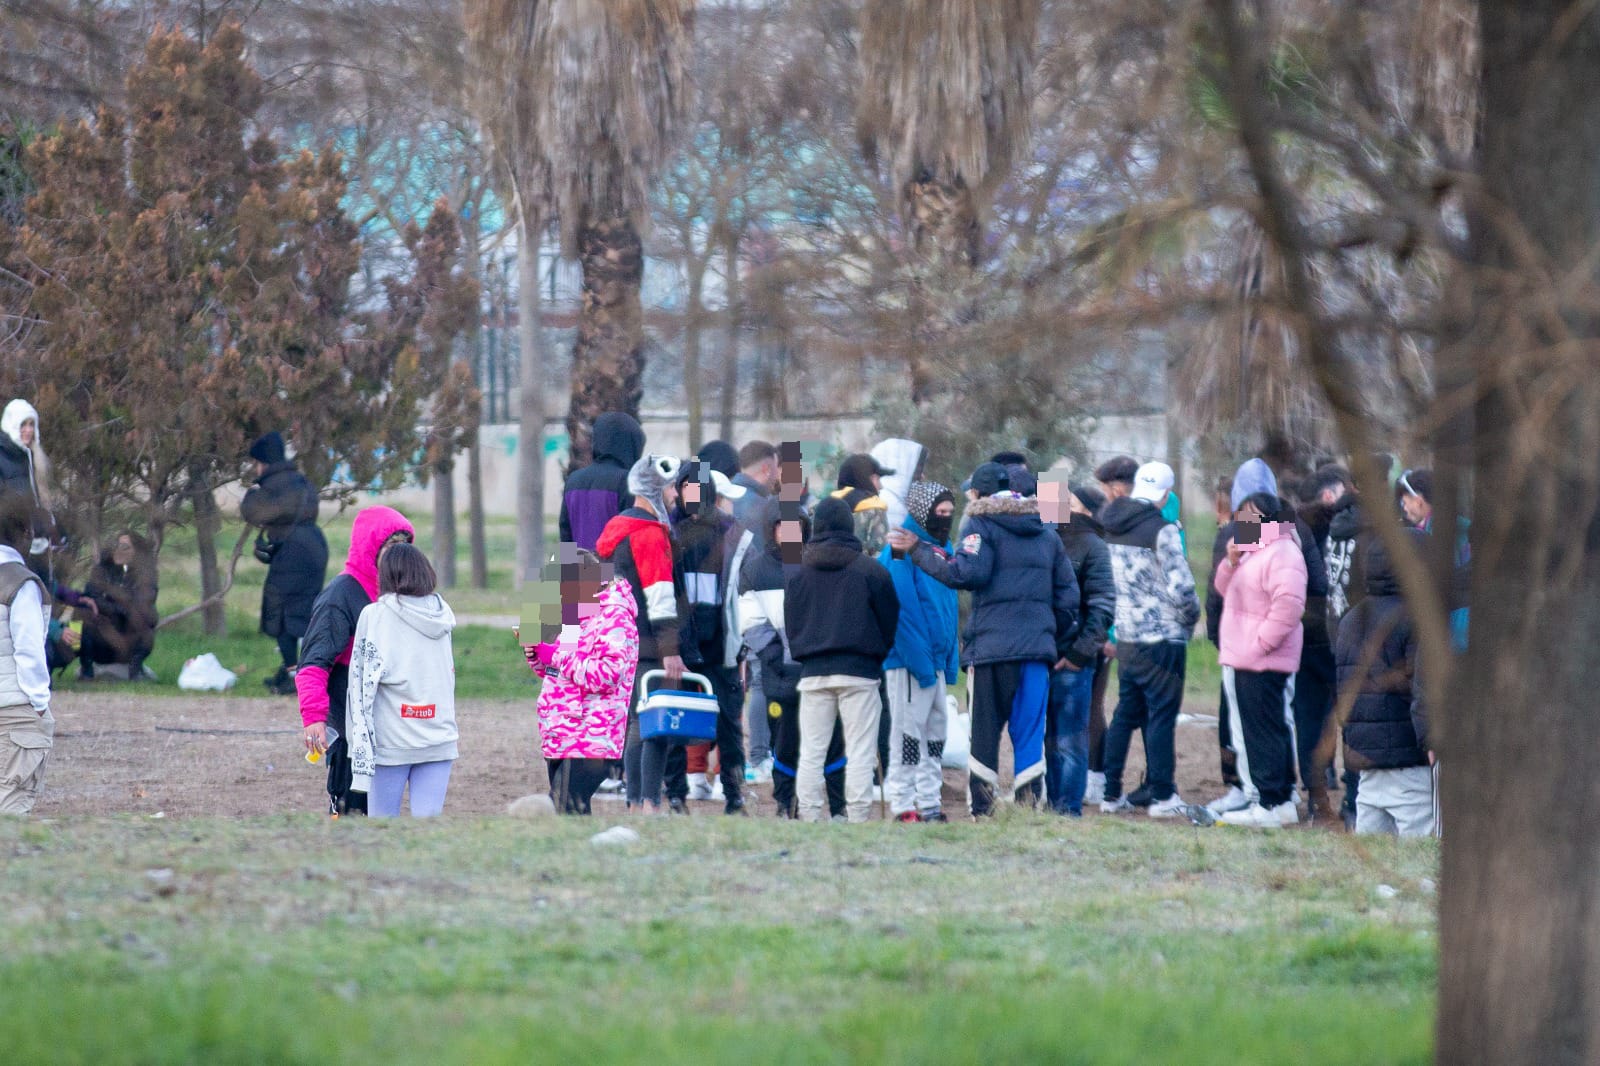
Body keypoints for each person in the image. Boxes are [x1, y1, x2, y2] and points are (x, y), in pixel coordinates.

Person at [891, 461, 1079, 816]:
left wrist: (918, 551)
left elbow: (966, 573)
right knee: (1029, 734)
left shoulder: (980, 524)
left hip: (991, 651)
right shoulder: (1048, 532)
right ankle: (1028, 808)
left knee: (984, 734)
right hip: (1036, 651)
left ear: (978, 494)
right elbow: (1068, 596)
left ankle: (983, 809)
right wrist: (1053, 638)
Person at [297, 506, 416, 817]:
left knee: (383, 811)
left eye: (406, 546)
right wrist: (314, 718)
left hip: (388, 721)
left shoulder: (399, 593)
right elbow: (313, 663)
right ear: (371, 548)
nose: (399, 556)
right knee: (351, 809)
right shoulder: (341, 595)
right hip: (348, 721)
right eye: (392, 547)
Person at [786, 497, 899, 823]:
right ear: (850, 526)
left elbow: (791, 624)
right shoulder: (872, 571)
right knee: (861, 751)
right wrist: (876, 654)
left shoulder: (798, 574)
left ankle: (808, 816)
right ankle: (859, 817)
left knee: (811, 751)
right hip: (860, 671)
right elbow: (889, 620)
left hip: (813, 672)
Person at [1098, 461, 1200, 818]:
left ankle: (1110, 794)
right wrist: (1190, 621)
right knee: (1160, 716)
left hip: (1127, 635)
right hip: (1163, 637)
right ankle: (1163, 796)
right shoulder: (1164, 530)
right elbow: (1182, 588)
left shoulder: (1110, 526)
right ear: (1167, 494)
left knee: (1126, 713)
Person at [740, 497, 847, 818]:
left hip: (820, 667)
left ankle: (838, 806)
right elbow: (750, 621)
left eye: (797, 527)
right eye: (782, 527)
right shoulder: (756, 570)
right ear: (770, 529)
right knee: (784, 742)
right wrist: (777, 656)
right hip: (781, 672)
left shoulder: (818, 562)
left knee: (831, 740)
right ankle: (786, 805)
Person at [1212, 492, 1308, 828]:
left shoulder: (1283, 551)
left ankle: (1269, 800)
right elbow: (1226, 591)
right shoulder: (1253, 550)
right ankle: (1278, 800)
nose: (1243, 522)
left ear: (1269, 518)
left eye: (1251, 516)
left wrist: (1260, 643)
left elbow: (1289, 604)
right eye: (1241, 516)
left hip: (1263, 657)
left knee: (1264, 730)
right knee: (1263, 728)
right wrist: (1231, 562)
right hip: (1245, 655)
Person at [596, 453, 686, 814]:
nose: (676, 496)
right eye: (672, 489)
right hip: (651, 645)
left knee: (636, 720)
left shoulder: (615, 532)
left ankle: (635, 802)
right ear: (656, 488)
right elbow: (660, 596)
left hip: (623, 642)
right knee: (656, 726)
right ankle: (649, 801)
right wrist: (671, 649)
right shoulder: (649, 535)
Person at [345, 543, 458, 819]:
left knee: (382, 827)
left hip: (391, 741)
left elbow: (360, 684)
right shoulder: (441, 613)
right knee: (428, 829)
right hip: (439, 737)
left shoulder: (375, 615)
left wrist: (358, 742)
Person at [1336, 531, 1434, 836]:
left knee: (1373, 862)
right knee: (1418, 857)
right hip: (1410, 764)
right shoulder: (1417, 619)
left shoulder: (1351, 619)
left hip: (1365, 763)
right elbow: (1424, 687)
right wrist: (1432, 739)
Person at [528, 549, 640, 815]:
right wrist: (538, 658)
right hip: (561, 731)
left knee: (563, 804)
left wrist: (554, 654)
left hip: (593, 734)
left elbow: (607, 674)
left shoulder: (616, 617)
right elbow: (562, 673)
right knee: (571, 812)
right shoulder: (576, 614)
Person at [665, 460, 748, 814]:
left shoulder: (733, 532)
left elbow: (743, 588)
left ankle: (734, 794)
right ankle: (675, 793)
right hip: (678, 642)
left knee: (729, 721)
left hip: (721, 641)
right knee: (674, 719)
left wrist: (742, 642)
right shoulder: (667, 530)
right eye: (686, 487)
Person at [877, 480, 958, 823]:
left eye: (950, 514)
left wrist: (948, 659)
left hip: (936, 659)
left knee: (936, 733)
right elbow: (901, 609)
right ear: (923, 512)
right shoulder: (899, 546)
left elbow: (949, 603)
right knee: (907, 733)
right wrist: (921, 661)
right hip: (911, 662)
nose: (945, 519)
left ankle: (929, 801)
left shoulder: (943, 546)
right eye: (939, 513)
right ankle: (903, 803)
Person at [1040, 477, 1116, 817]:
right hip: (1039, 655)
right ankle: (1054, 804)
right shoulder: (1041, 540)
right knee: (1049, 739)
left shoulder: (1091, 545)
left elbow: (1102, 606)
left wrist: (1079, 653)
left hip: (1072, 659)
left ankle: (1068, 809)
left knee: (1069, 739)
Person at [240, 431, 329, 696]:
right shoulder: (302, 481)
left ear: (263, 462)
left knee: (280, 612)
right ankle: (297, 669)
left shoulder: (271, 486)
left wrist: (253, 492)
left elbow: (253, 512)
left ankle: (294, 673)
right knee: (303, 611)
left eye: (256, 463)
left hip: (292, 553)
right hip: (314, 546)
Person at [0, 497, 51, 814]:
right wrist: (39, 702)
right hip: (13, 709)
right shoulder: (19, 582)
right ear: (24, 532)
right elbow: (29, 648)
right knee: (11, 801)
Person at [559, 412, 646, 551]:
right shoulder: (627, 481)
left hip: (579, 569)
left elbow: (565, 533)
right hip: (614, 570)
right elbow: (632, 534)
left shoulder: (573, 480)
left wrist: (570, 570)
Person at [78, 532, 158, 682]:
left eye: (125, 547)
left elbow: (142, 607)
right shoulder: (101, 570)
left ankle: (135, 672)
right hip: (102, 636)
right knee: (85, 616)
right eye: (116, 546)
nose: (118, 551)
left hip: (129, 636)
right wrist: (119, 608)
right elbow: (91, 598)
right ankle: (86, 672)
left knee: (149, 621)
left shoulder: (146, 575)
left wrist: (109, 604)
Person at [829, 453, 893, 558]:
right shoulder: (874, 510)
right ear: (864, 480)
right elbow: (881, 557)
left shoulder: (819, 509)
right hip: (860, 573)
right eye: (876, 479)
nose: (880, 486)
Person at [731, 440, 779, 530]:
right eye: (775, 468)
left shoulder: (720, 498)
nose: (776, 476)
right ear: (766, 470)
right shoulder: (765, 509)